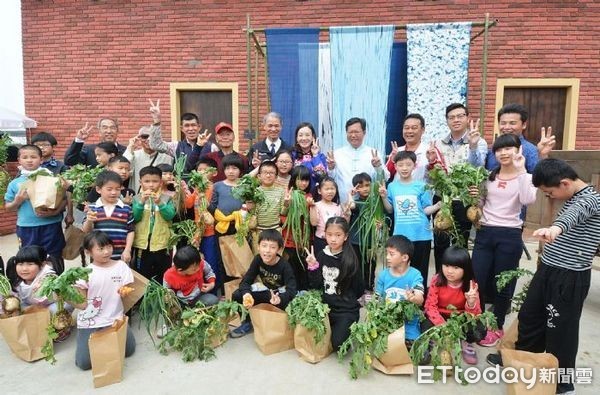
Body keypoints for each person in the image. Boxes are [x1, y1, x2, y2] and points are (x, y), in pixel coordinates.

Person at [487, 159, 600, 395]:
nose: (550, 196)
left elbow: (571, 219)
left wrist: (554, 229)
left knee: (561, 330)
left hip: (569, 276)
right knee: (530, 318)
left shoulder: (590, 200)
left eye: (549, 192)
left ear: (565, 183)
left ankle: (562, 383)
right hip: (548, 269)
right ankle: (521, 362)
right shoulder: (571, 195)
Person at [470, 134, 537, 347]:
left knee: (503, 283)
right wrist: (474, 197)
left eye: (509, 148)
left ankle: (496, 326)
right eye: (499, 149)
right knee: (476, 279)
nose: (504, 153)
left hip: (509, 234)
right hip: (485, 232)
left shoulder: (524, 177)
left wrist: (523, 170)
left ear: (518, 151)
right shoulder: (489, 176)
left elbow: (528, 199)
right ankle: (476, 321)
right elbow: (480, 203)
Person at [426, 103, 488, 273]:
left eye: (460, 116)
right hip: (442, 200)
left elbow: (478, 167)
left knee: (461, 242)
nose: (456, 120)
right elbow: (431, 177)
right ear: (447, 121)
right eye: (451, 117)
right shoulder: (438, 143)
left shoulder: (478, 141)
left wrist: (473, 146)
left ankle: (460, 281)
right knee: (440, 242)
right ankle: (441, 279)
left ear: (468, 118)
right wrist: (431, 163)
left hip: (464, 200)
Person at [74, 231, 136, 370]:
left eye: (109, 247)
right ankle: (86, 341)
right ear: (89, 252)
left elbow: (128, 289)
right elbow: (82, 302)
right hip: (91, 321)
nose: (106, 252)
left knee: (129, 350)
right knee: (84, 364)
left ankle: (103, 344)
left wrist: (125, 291)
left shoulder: (121, 266)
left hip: (115, 318)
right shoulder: (85, 272)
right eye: (100, 249)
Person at [380, 151, 440, 288]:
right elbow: (390, 210)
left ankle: (419, 301)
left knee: (420, 271)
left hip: (421, 236)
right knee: (400, 269)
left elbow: (425, 210)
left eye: (408, 164)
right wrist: (384, 197)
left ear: (415, 165)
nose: (404, 168)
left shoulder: (421, 186)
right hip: (401, 237)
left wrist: (437, 206)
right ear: (395, 167)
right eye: (401, 165)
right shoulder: (392, 187)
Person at [4, 145, 66, 274]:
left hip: (51, 225)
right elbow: (8, 207)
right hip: (27, 227)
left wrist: (55, 211)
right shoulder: (15, 183)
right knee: (30, 258)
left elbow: (64, 200)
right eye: (25, 157)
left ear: (41, 160)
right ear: (19, 160)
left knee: (54, 257)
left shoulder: (52, 179)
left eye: (33, 157)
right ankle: (33, 288)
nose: (29, 160)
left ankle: (58, 286)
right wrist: (18, 201)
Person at [306, 217, 363, 351]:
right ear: (324, 234)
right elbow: (315, 285)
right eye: (329, 235)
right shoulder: (321, 255)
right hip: (326, 308)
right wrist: (313, 267)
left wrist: (345, 298)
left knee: (338, 345)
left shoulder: (350, 258)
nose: (333, 239)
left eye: (338, 235)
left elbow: (359, 288)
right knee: (312, 337)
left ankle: (350, 325)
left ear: (345, 236)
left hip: (346, 310)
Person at [230, 229, 297, 338]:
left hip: (279, 297)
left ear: (279, 250)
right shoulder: (258, 260)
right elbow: (246, 281)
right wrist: (246, 294)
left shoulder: (285, 266)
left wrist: (280, 299)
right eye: (264, 246)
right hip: (267, 293)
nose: (267, 251)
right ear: (258, 247)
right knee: (238, 294)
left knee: (291, 304)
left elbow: (292, 290)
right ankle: (247, 322)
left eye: (272, 247)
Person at [423, 246, 483, 364]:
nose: (449, 271)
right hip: (439, 315)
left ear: (465, 269)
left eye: (455, 267)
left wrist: (471, 303)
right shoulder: (437, 280)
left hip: (461, 316)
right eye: (446, 266)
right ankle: (432, 340)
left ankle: (466, 342)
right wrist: (443, 326)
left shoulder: (471, 285)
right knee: (424, 324)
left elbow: (476, 313)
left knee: (478, 329)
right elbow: (430, 306)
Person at [374, 235, 425, 346]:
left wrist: (413, 298)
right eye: (387, 253)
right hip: (387, 320)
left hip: (409, 322)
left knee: (419, 354)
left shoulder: (415, 275)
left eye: (391, 254)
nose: (387, 257)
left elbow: (420, 298)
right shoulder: (383, 275)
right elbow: (377, 298)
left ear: (405, 257)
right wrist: (373, 311)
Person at [327, 117, 389, 205]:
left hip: (368, 205)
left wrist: (378, 167)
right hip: (344, 204)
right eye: (350, 132)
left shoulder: (373, 153)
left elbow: (385, 178)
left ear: (364, 133)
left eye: (356, 132)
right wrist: (331, 168)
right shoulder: (337, 154)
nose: (353, 135)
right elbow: (331, 179)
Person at [132, 166, 176, 281]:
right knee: (142, 274)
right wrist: (141, 202)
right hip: (142, 244)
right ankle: (144, 298)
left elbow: (170, 215)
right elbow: (135, 218)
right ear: (140, 182)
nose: (151, 185)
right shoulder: (136, 199)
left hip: (162, 244)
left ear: (161, 183)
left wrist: (159, 203)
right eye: (147, 181)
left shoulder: (167, 198)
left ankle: (161, 296)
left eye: (155, 181)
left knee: (162, 274)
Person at [485, 103, 556, 172]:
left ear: (524, 125)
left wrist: (542, 155)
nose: (506, 127)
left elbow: (539, 177)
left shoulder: (530, 150)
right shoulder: (492, 148)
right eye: (503, 123)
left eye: (512, 123)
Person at [82, 170, 135, 263]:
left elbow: (130, 231)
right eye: (109, 189)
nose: (114, 192)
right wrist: (89, 220)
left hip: (120, 255)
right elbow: (86, 231)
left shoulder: (126, 209)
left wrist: (127, 250)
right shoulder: (92, 208)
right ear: (98, 189)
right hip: (98, 256)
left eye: (117, 189)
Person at [183, 157, 219, 288]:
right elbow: (188, 205)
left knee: (210, 259)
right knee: (197, 259)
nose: (202, 172)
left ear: (214, 173)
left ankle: (214, 287)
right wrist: (183, 191)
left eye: (205, 170)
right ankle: (198, 286)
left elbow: (214, 207)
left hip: (210, 230)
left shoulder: (214, 188)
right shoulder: (197, 188)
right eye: (199, 170)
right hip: (197, 230)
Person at [281, 165, 314, 291]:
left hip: (304, 240)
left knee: (304, 267)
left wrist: (311, 207)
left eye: (306, 180)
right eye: (300, 179)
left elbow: (312, 220)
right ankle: (291, 291)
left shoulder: (309, 196)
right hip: (290, 239)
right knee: (291, 267)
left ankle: (304, 292)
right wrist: (287, 203)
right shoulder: (288, 194)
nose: (303, 183)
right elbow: (282, 216)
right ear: (294, 180)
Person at [5, 246, 63, 314]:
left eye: (30, 264)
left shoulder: (48, 275)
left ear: (42, 264)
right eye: (20, 264)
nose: (24, 269)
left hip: (50, 304)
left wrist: (44, 284)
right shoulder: (16, 278)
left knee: (56, 310)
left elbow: (51, 277)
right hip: (29, 304)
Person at [347, 172, 377, 292]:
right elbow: (351, 206)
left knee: (370, 265)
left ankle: (369, 288)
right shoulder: (357, 201)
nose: (365, 189)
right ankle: (358, 290)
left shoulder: (376, 201)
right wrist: (350, 195)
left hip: (371, 241)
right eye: (360, 186)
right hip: (356, 240)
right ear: (356, 188)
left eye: (367, 185)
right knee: (357, 266)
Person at [124, 126, 173, 193]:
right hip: (137, 200)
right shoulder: (133, 155)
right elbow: (122, 170)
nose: (149, 139)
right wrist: (130, 147)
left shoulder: (167, 158)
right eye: (145, 136)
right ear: (139, 138)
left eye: (153, 137)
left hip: (161, 201)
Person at [309, 176, 349, 256]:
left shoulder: (338, 206)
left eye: (332, 189)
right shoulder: (316, 205)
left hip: (336, 242)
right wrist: (312, 207)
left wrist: (347, 214)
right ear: (319, 191)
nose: (330, 191)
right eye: (327, 189)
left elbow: (344, 225)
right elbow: (313, 223)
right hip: (321, 240)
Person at [385, 113, 429, 181]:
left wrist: (432, 161)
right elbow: (386, 175)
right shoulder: (397, 151)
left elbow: (440, 174)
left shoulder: (429, 151)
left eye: (414, 128)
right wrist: (392, 160)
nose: (409, 131)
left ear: (422, 130)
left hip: (421, 191)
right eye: (406, 128)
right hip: (398, 191)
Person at [290, 122, 328, 191]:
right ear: (297, 138)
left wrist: (315, 155)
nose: (304, 138)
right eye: (300, 135)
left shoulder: (320, 156)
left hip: (315, 195)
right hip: (295, 195)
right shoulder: (292, 155)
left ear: (313, 137)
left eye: (307, 135)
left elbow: (322, 177)